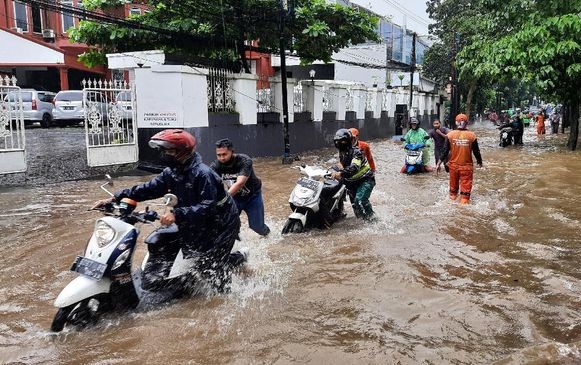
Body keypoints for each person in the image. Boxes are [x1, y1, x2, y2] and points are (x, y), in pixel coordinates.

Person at [92, 129, 243, 293]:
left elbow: (208, 208)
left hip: (222, 224)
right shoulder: (171, 172)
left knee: (211, 269)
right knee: (162, 242)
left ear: (182, 152)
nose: (164, 154)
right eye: (163, 151)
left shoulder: (203, 174)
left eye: (168, 151)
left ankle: (225, 292)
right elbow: (148, 189)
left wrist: (176, 214)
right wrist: (115, 198)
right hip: (196, 222)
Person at [210, 138, 270, 236]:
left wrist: (224, 199)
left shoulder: (244, 160)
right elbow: (210, 183)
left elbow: (240, 182)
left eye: (224, 154)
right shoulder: (216, 165)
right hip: (234, 198)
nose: (222, 158)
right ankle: (235, 242)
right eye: (219, 155)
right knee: (227, 224)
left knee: (257, 227)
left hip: (252, 197)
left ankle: (268, 235)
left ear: (232, 152)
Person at [437, 113, 483, 204]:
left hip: (453, 168)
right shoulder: (472, 136)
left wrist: (438, 163)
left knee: (453, 194)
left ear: (456, 122)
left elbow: (445, 151)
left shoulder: (450, 135)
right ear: (467, 123)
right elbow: (476, 151)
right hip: (466, 168)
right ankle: (463, 211)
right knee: (465, 196)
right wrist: (480, 162)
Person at [330, 129, 375, 221]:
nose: (339, 144)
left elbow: (355, 167)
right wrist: (331, 170)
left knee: (360, 200)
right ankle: (360, 222)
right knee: (355, 206)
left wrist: (341, 173)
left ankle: (372, 219)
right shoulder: (342, 153)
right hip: (351, 183)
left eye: (341, 141)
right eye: (337, 142)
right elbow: (341, 165)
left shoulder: (357, 152)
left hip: (365, 180)